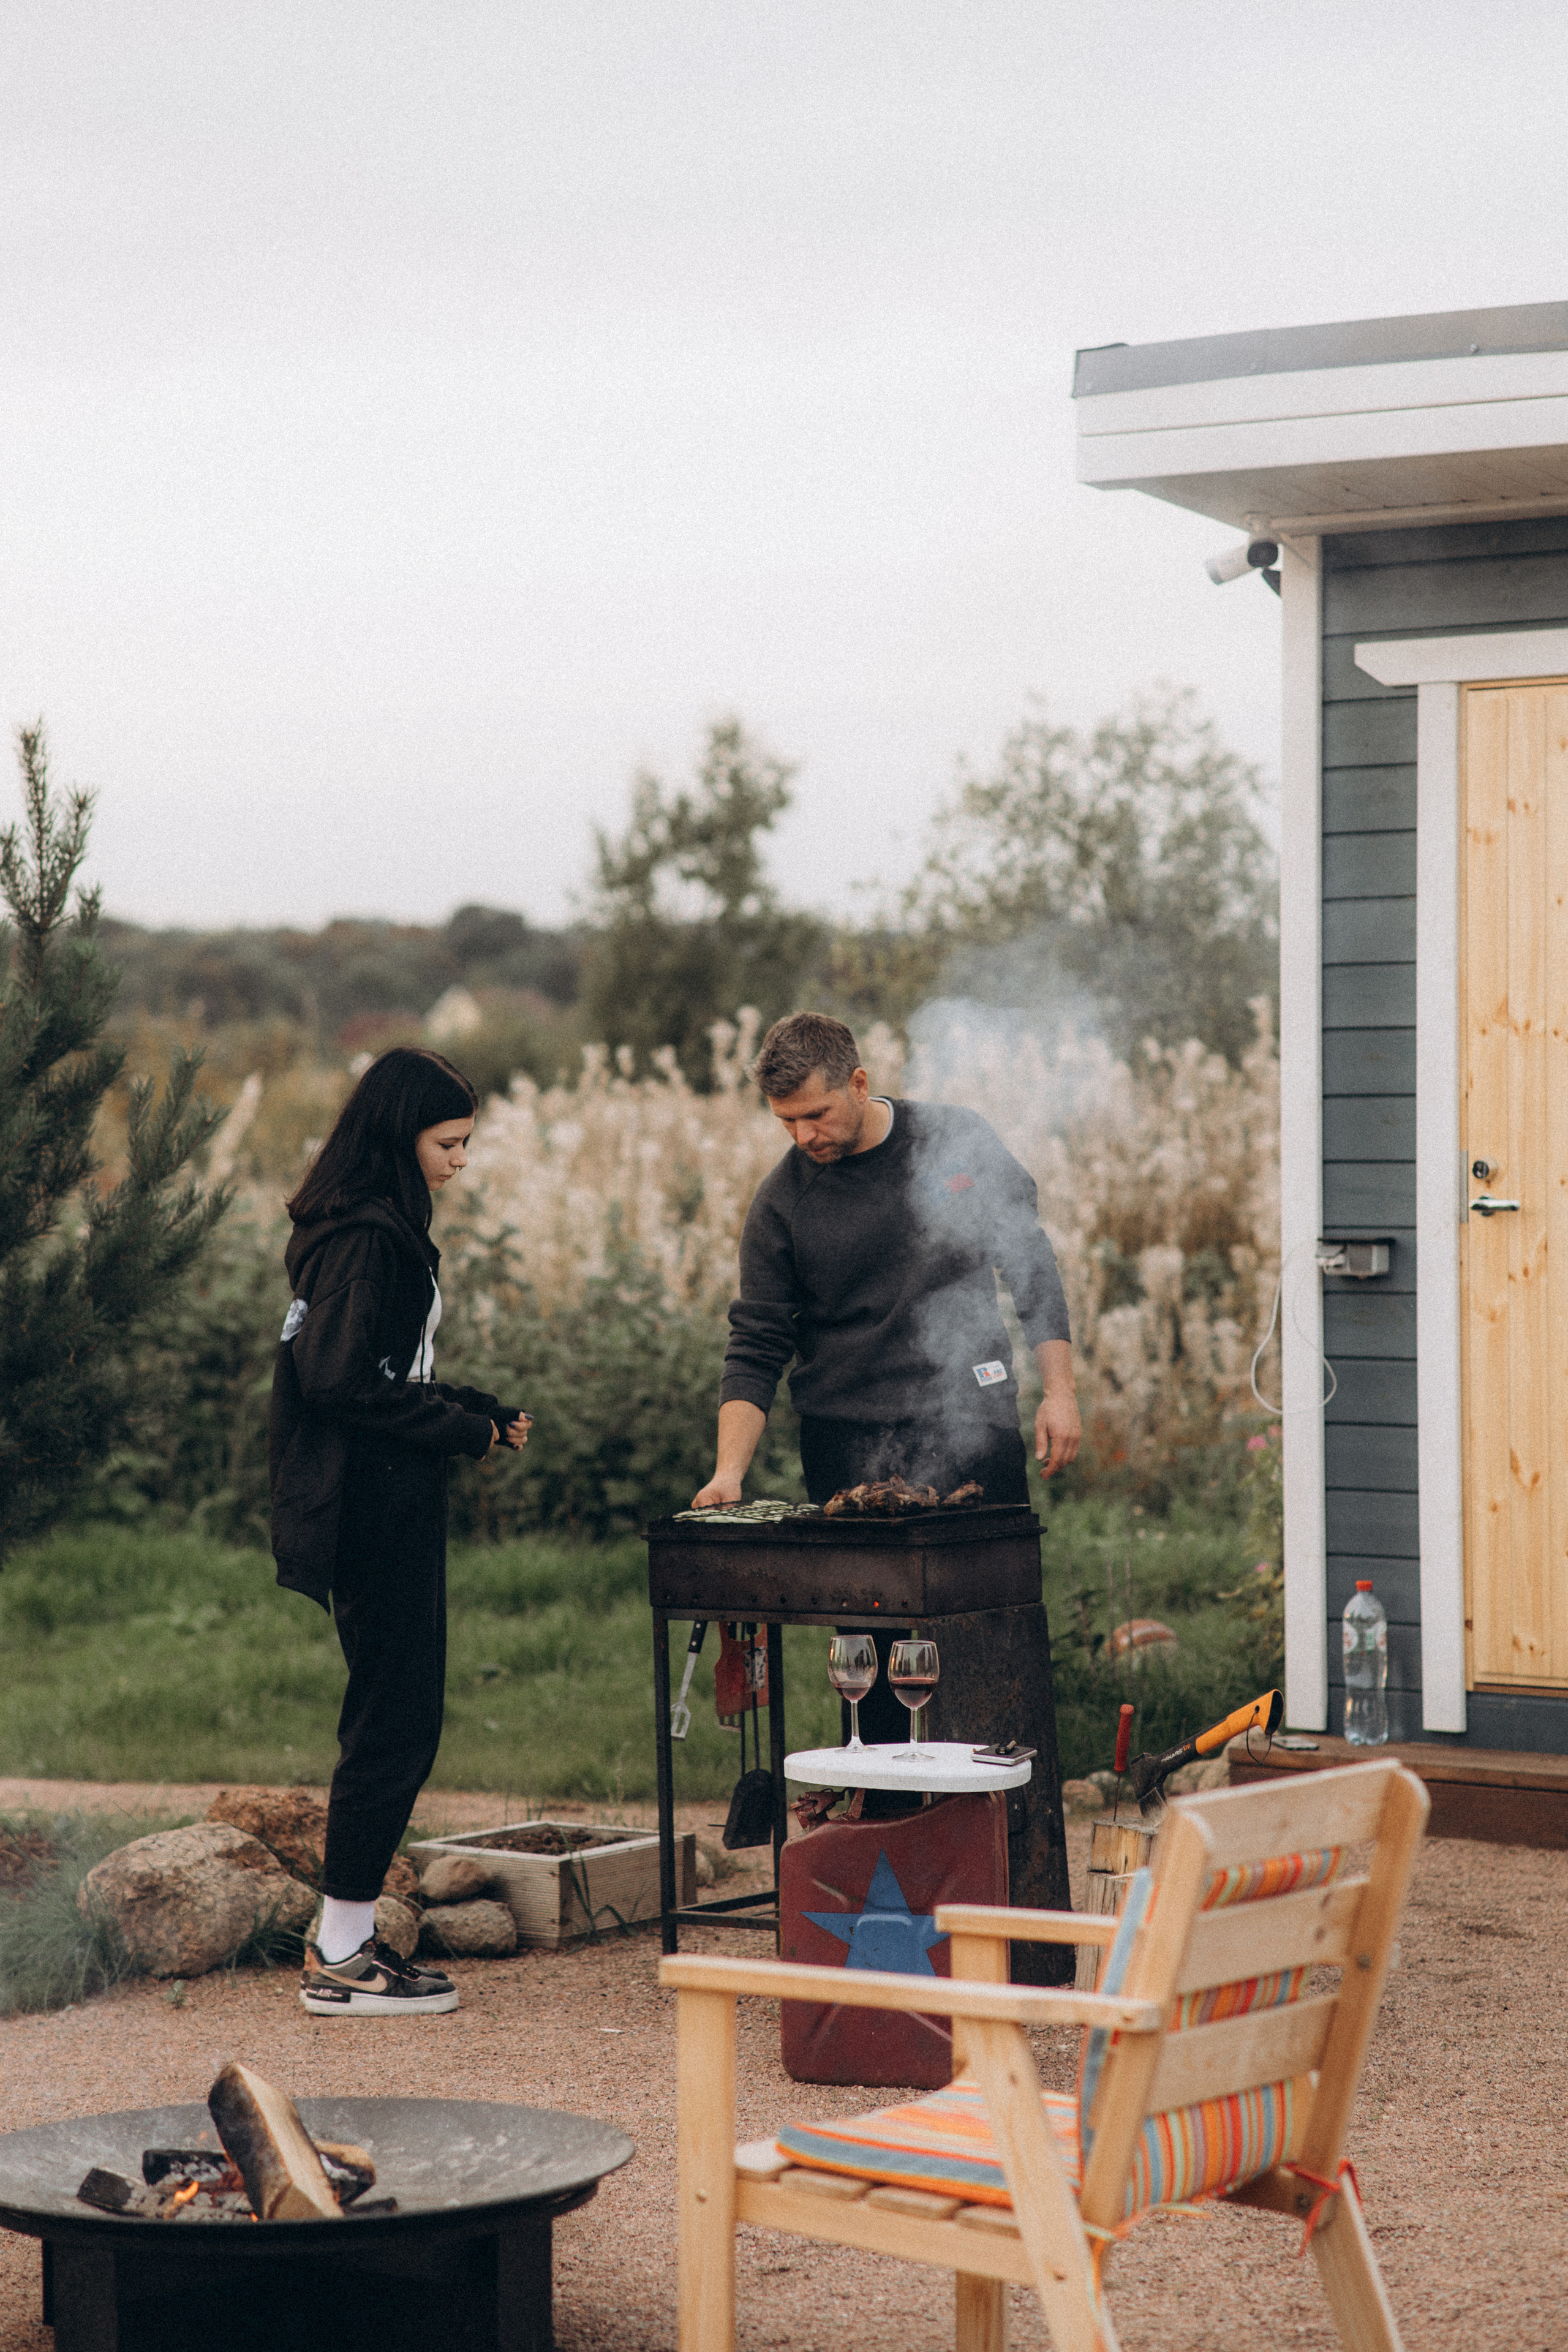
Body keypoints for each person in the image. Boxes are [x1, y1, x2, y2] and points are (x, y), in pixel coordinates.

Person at [692, 1011, 1080, 1966]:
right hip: (846, 1440)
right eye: (786, 1123)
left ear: (861, 1082)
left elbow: (1029, 1264)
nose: (805, 1137)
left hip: (972, 1418)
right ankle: (898, 1893)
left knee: (982, 1648)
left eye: (816, 1115)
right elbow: (757, 1344)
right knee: (870, 1665)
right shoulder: (783, 1202)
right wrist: (728, 1473)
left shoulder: (957, 1142)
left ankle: (1005, 1886)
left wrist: (1061, 1389)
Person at [269, 1047, 530, 2016]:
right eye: (449, 1142)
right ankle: (340, 1956)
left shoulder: (369, 1228)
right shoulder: (366, 1238)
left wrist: (476, 1409)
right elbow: (336, 1383)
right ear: (400, 1135)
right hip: (368, 1508)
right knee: (394, 1720)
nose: (461, 1160)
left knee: (399, 1715)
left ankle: (349, 1939)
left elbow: (383, 1368)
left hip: (386, 1499)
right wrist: (459, 1431)